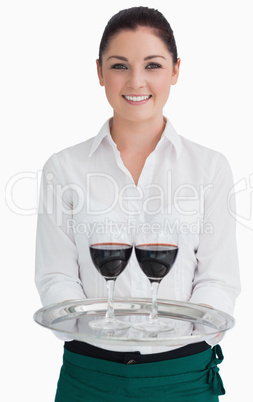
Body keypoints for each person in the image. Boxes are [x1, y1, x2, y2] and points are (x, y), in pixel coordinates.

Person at [35, 6, 241, 402]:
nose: (136, 81)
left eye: (153, 65)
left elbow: (219, 279)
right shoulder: (63, 168)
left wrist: (177, 332)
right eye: (119, 65)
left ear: (176, 71)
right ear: (99, 72)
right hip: (88, 376)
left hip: (183, 376)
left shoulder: (210, 168)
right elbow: (54, 276)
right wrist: (99, 330)